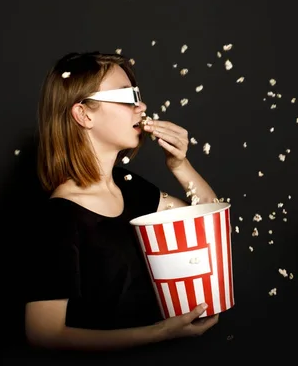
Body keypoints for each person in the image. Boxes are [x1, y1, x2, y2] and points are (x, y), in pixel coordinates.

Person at [24, 51, 220, 351]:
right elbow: (43, 334)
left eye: (138, 95)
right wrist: (160, 333)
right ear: (84, 114)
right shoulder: (59, 218)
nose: (141, 106)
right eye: (128, 96)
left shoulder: (131, 188)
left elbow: (208, 226)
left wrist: (180, 166)